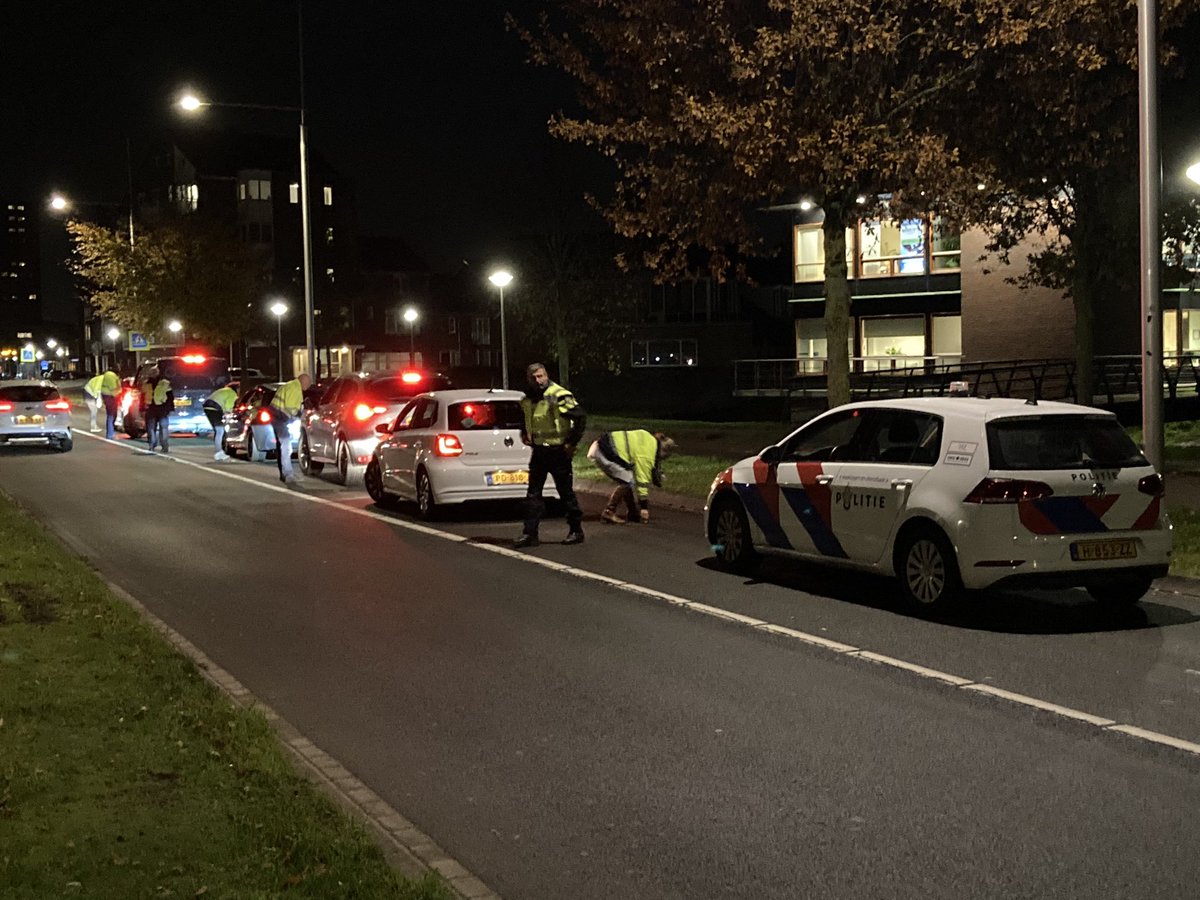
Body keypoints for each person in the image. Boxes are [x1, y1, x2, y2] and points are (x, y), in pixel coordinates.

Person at [515, 362, 586, 548]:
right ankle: (530, 534)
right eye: (534, 377)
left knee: (565, 493)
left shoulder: (558, 395)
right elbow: (526, 417)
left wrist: (571, 443)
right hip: (539, 451)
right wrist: (524, 432)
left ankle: (576, 530)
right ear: (528, 379)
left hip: (558, 451)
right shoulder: (529, 398)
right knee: (533, 494)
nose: (538, 380)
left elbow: (580, 417)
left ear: (547, 375)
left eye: (541, 376)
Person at [587, 430, 678, 524]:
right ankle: (609, 511)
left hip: (601, 448)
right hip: (604, 452)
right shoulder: (647, 453)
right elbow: (642, 481)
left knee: (627, 479)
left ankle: (632, 512)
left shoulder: (647, 439)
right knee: (627, 481)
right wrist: (644, 507)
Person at [269, 373, 311, 484]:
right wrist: (297, 416)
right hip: (280, 418)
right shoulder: (295, 389)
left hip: (276, 415)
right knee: (286, 446)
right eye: (308, 383)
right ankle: (288, 474)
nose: (309, 386)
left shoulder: (290, 385)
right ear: (304, 381)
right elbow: (290, 408)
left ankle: (284, 474)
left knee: (283, 445)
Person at [204, 376, 239, 461]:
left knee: (218, 430)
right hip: (214, 408)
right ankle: (218, 452)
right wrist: (228, 416)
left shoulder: (224, 390)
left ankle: (219, 451)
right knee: (220, 430)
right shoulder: (232, 393)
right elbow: (228, 406)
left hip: (209, 407)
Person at [148, 369, 174, 453]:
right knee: (164, 428)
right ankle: (164, 446)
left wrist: (142, 409)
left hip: (151, 409)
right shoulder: (165, 383)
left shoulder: (147, 383)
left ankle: (152, 445)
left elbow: (143, 397)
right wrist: (171, 408)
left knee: (152, 428)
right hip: (163, 409)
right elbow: (170, 397)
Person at [99, 366, 121, 439]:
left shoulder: (105, 375)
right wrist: (119, 391)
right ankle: (110, 434)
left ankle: (110, 433)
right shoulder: (113, 377)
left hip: (105, 395)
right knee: (111, 415)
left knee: (110, 414)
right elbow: (114, 388)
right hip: (111, 397)